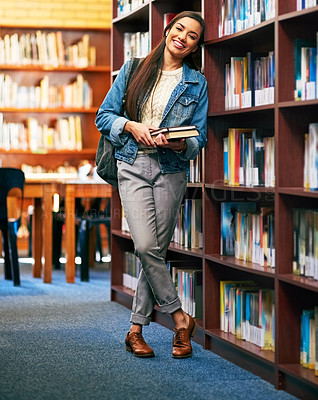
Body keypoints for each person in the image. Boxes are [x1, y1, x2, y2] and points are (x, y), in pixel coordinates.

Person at [95, 11, 208, 359]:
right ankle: (180, 318)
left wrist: (181, 144)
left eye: (192, 36)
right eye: (180, 29)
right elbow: (104, 116)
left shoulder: (196, 83)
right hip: (132, 163)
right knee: (145, 245)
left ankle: (135, 331)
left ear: (194, 47)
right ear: (168, 30)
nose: (184, 38)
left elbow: (199, 137)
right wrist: (131, 127)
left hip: (171, 169)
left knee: (153, 252)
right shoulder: (133, 68)